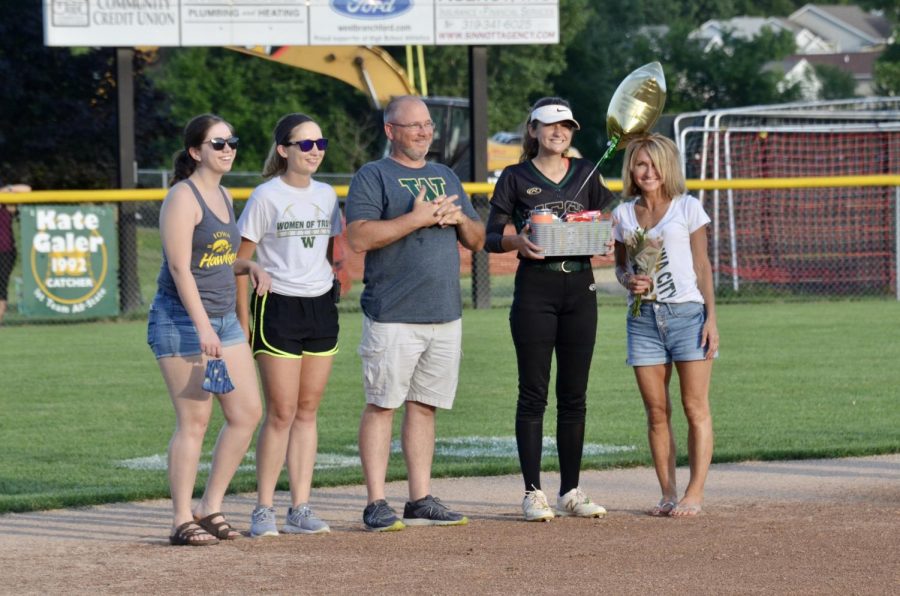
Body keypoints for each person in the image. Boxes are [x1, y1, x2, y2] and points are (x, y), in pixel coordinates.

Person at [345, 95, 485, 531]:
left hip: (444, 312)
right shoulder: (374, 175)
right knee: (383, 404)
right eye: (414, 126)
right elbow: (358, 238)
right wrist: (418, 218)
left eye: (427, 125)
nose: (425, 132)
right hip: (393, 313)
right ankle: (375, 502)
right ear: (391, 131)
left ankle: (420, 497)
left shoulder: (445, 175)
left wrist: (458, 218)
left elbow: (478, 239)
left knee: (425, 407)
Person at [484, 97, 616, 522]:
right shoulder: (516, 175)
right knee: (533, 394)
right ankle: (533, 492)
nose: (558, 132)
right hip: (536, 290)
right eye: (549, 125)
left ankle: (571, 491)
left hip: (580, 287)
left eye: (566, 126)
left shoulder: (586, 172)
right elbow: (490, 236)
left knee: (574, 396)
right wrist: (516, 242)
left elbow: (607, 215)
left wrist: (607, 234)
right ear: (533, 130)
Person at [148, 114, 271, 545]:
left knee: (246, 414)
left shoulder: (224, 195)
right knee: (195, 420)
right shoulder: (183, 197)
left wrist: (248, 264)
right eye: (218, 143)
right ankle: (181, 517)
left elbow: (215, 260)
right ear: (196, 152)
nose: (228, 149)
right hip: (181, 320)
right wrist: (204, 327)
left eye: (232, 142)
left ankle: (209, 505)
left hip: (221, 321)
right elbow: (181, 267)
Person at [236, 114, 342, 537]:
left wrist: (335, 279)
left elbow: (330, 252)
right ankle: (263, 508)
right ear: (283, 150)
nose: (314, 150)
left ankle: (300, 506)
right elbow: (239, 262)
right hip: (277, 307)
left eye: (320, 143)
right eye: (305, 144)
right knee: (280, 411)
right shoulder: (266, 196)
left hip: (320, 307)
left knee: (308, 409)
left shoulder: (329, 194)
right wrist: (243, 327)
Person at [611, 133, 718, 517]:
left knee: (695, 408)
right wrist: (629, 281)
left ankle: (695, 492)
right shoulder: (623, 214)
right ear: (632, 169)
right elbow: (622, 266)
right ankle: (668, 492)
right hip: (643, 319)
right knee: (656, 412)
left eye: (655, 164)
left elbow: (703, 266)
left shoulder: (687, 207)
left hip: (688, 316)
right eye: (641, 164)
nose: (648, 171)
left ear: (668, 167)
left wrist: (712, 319)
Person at [0, 182, 30, 324]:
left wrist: (8, 189)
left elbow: (27, 189)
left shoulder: (7, 204)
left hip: (4, 251)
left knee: (1, 286)